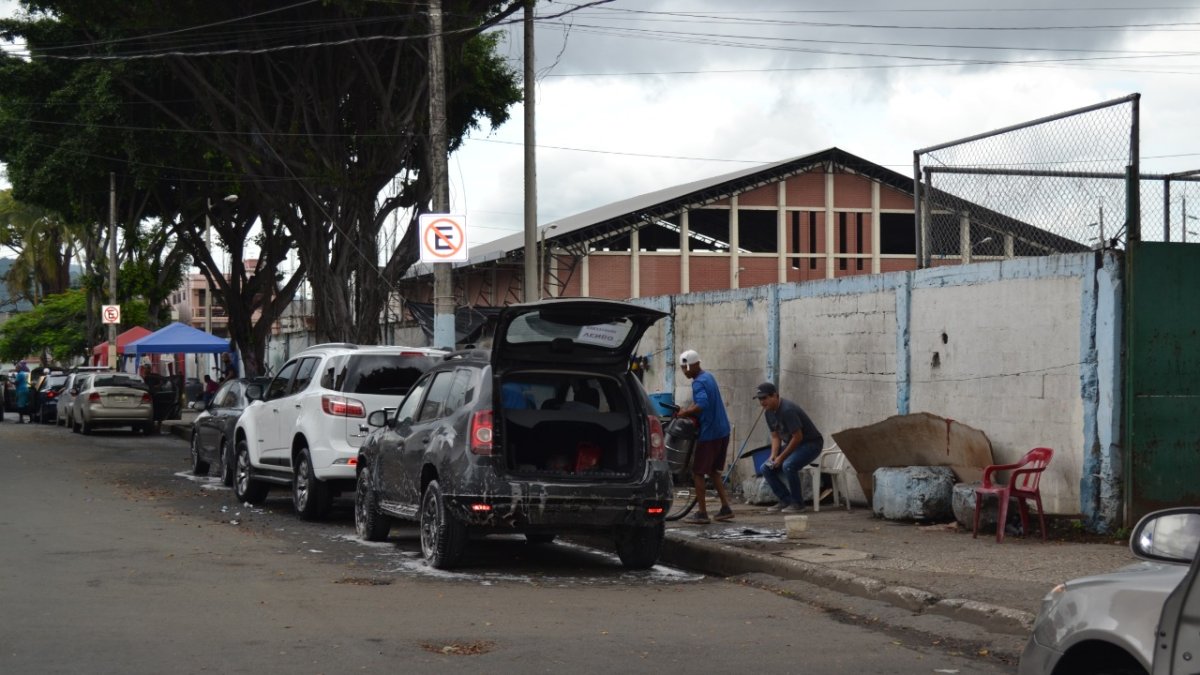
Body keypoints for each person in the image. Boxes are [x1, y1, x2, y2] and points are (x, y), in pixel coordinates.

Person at [675, 349, 734, 524]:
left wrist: (685, 412)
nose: (684, 372)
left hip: (710, 434)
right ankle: (725, 508)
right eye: (682, 368)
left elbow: (702, 404)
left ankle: (702, 513)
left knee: (698, 473)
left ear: (694, 365)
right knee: (713, 471)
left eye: (685, 368)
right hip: (723, 430)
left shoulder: (698, 383)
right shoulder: (708, 377)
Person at [754, 382, 824, 513]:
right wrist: (773, 456)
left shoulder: (787, 410)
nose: (762, 402)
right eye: (760, 399)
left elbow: (798, 437)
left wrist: (781, 458)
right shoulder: (768, 412)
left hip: (811, 444)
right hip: (795, 444)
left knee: (788, 465)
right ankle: (785, 500)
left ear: (775, 395)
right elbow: (775, 437)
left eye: (765, 398)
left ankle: (798, 503)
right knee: (766, 468)